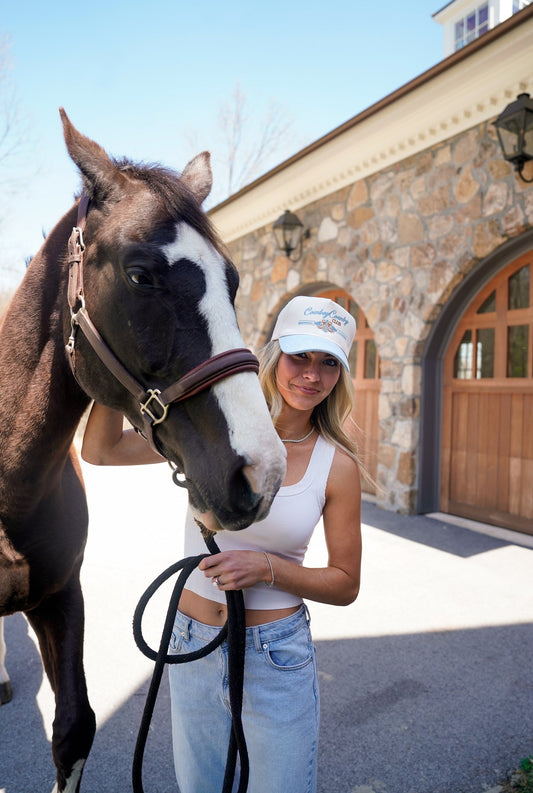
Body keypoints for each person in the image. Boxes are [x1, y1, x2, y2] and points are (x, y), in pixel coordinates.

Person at [81, 295, 362, 793]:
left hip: (274, 655)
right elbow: (101, 451)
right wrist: (115, 365)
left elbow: (345, 584)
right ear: (274, 355)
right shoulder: (214, 427)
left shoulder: (335, 466)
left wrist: (266, 568)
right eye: (300, 356)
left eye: (328, 363)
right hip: (191, 641)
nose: (311, 375)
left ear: (340, 375)